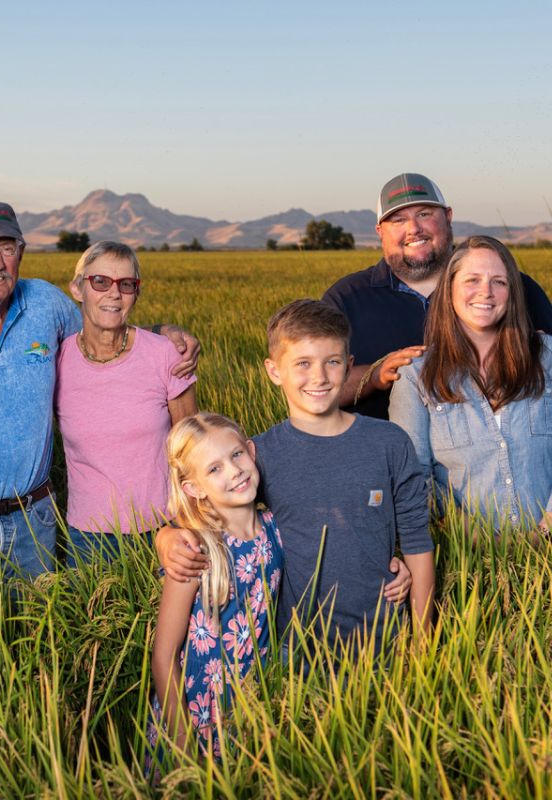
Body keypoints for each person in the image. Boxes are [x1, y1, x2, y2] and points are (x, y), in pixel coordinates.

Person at [0, 200, 199, 579]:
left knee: (37, 635)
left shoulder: (43, 303)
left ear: (21, 253)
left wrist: (163, 333)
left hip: (34, 525)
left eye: (7, 248)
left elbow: (103, 320)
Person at [157, 300, 434, 660]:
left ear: (349, 367)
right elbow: (203, 515)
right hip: (294, 652)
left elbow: (416, 543)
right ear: (274, 371)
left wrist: (423, 649)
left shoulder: (389, 443)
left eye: (332, 362)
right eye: (302, 364)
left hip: (385, 642)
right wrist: (165, 538)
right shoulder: (257, 454)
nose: (318, 378)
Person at [322, 173, 552, 420]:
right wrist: (375, 376)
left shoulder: (511, 288)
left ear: (448, 217)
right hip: (382, 456)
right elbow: (315, 387)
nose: (413, 229)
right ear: (380, 231)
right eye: (398, 219)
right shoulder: (346, 299)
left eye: (424, 214)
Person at [389, 236, 552, 536]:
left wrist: (545, 534)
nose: (486, 292)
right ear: (449, 289)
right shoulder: (415, 376)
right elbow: (412, 479)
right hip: (467, 560)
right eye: (472, 280)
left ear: (512, 292)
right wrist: (479, 540)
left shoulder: (547, 357)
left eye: (499, 282)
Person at [148, 413, 283, 765]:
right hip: (196, 713)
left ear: (251, 451)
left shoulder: (278, 530)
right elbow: (164, 654)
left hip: (257, 704)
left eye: (236, 455)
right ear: (193, 488)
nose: (234, 471)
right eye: (214, 469)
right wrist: (182, 743)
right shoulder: (194, 549)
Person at [55, 241, 198, 566]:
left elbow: (192, 448)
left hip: (164, 531)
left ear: (137, 292)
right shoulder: (58, 359)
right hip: (88, 540)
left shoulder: (165, 354)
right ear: (78, 288)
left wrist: (191, 525)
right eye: (100, 282)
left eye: (127, 285)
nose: (114, 294)